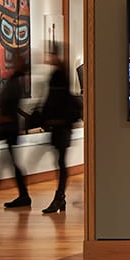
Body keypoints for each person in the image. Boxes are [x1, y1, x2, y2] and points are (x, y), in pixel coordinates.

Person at [39, 43, 80, 214]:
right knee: (61, 162)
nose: (47, 57)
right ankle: (59, 198)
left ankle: (59, 198)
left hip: (60, 126)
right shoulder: (60, 73)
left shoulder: (58, 74)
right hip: (61, 126)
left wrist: (45, 118)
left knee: (61, 163)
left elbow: (55, 100)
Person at [0, 56, 31, 209]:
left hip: (9, 126)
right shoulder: (18, 81)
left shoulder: (16, 81)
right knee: (8, 162)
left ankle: (24, 195)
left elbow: (10, 103)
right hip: (11, 126)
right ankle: (23, 194)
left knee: (11, 162)